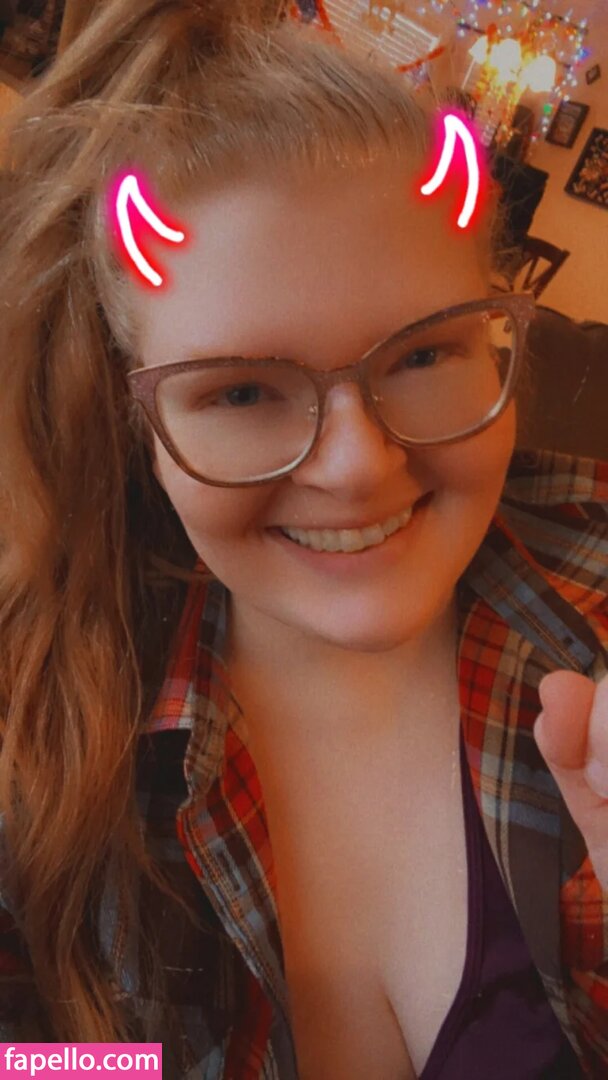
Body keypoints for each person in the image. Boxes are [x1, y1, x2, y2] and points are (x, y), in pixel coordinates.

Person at [0, 1, 606, 1077]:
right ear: (140, 421)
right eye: (240, 391)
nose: (357, 465)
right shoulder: (35, 746)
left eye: (424, 355)